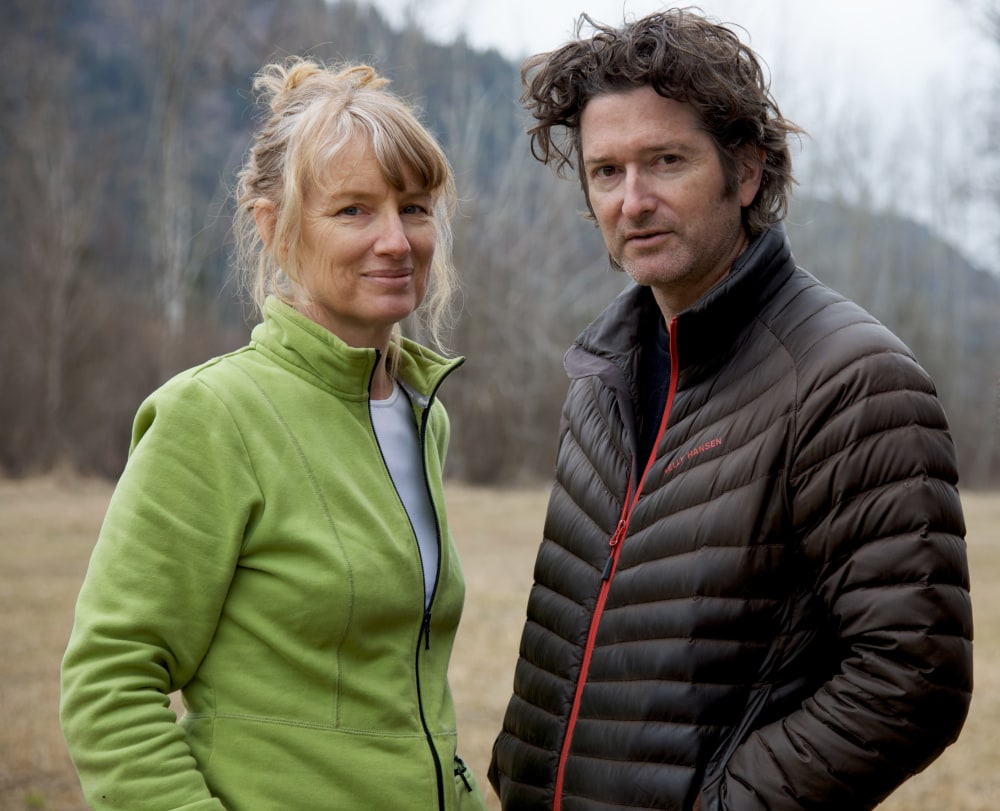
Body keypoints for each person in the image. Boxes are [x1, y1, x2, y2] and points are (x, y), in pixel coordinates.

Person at [488, 9, 973, 811]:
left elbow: (910, 675)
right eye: (606, 172)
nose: (633, 200)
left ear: (745, 172)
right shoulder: (600, 376)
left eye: (665, 161)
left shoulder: (850, 377)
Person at [60, 57, 486, 811]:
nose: (395, 239)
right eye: (354, 210)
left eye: (414, 208)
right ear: (275, 227)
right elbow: (110, 684)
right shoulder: (213, 415)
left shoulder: (424, 414)